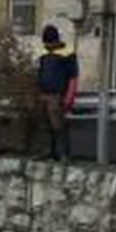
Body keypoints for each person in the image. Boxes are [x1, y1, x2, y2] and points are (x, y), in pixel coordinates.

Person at [36, 25, 79, 162]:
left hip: (57, 95)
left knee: (59, 126)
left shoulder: (68, 53)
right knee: (46, 126)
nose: (47, 45)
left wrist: (69, 97)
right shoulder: (44, 53)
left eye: (49, 43)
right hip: (43, 94)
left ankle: (64, 154)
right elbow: (40, 72)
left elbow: (73, 77)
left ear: (55, 41)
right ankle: (50, 152)